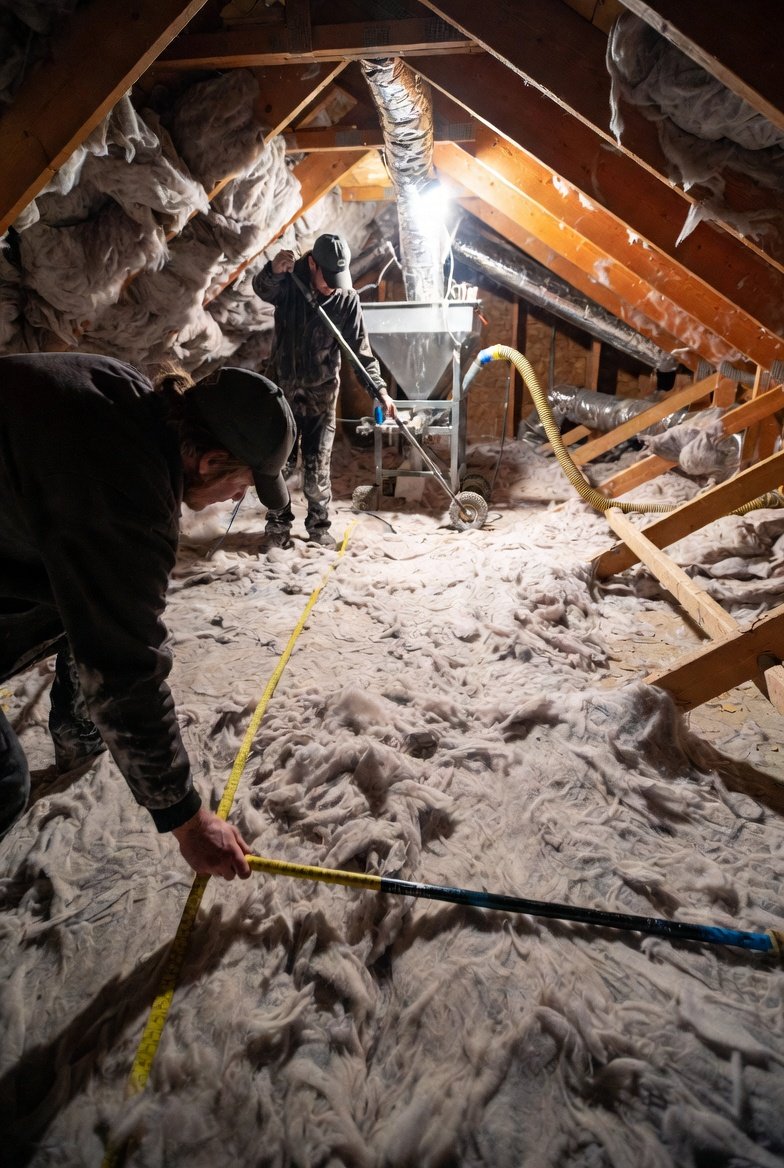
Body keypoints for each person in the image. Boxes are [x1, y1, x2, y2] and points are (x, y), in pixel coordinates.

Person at [0, 353, 296, 880]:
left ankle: (78, 730)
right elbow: (125, 668)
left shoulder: (126, 392)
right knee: (3, 783)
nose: (240, 495)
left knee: (89, 598)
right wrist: (187, 819)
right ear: (210, 461)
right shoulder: (127, 494)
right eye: (244, 482)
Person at [252, 232, 396, 549]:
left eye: (337, 278)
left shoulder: (346, 300)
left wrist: (379, 390)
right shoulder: (289, 284)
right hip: (283, 398)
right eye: (327, 277)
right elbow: (262, 290)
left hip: (321, 397)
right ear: (312, 263)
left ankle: (318, 525)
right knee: (280, 467)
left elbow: (360, 352)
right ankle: (278, 522)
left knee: (317, 472)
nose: (332, 284)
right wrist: (272, 271)